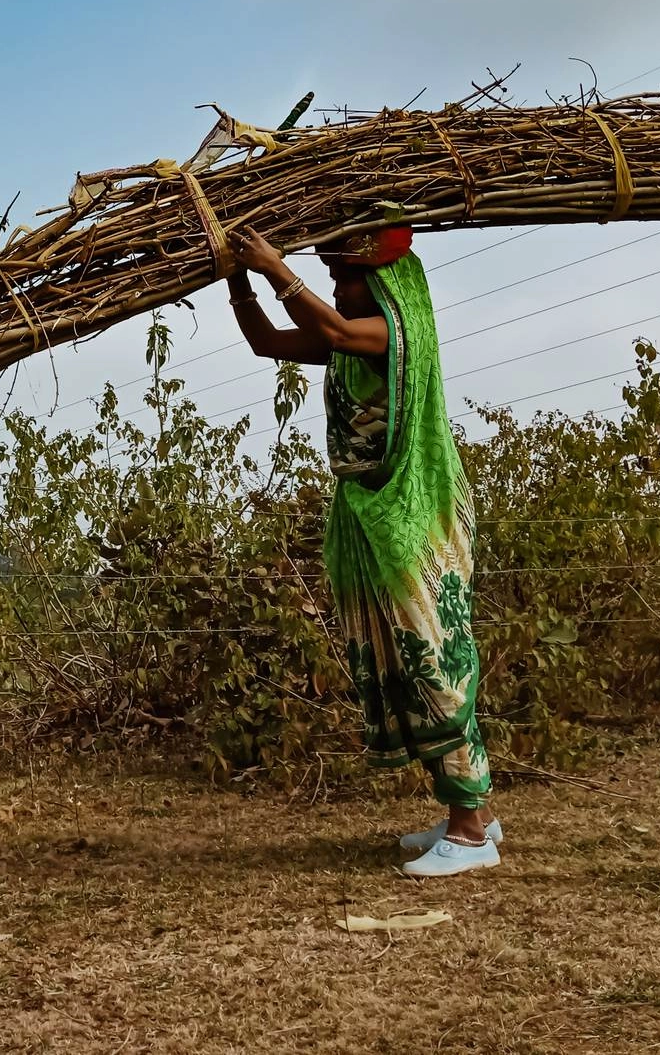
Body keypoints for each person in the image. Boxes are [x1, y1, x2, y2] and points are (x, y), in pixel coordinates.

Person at [225, 224, 500, 878]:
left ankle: (468, 835)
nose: (336, 290)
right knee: (406, 663)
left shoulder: (391, 336)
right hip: (374, 516)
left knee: (435, 663)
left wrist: (271, 266)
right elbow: (267, 341)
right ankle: (472, 815)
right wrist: (235, 276)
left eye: (346, 280)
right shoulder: (349, 340)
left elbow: (345, 333)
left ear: (383, 286)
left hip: (413, 521)